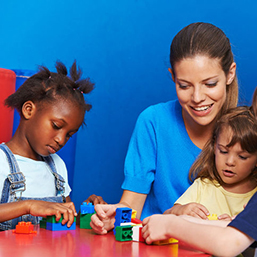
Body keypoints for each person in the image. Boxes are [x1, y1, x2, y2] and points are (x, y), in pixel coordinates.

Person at [91, 21, 238, 234]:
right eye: (184, 86)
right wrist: (112, 217)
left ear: (230, 73)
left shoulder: (246, 131)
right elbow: (131, 205)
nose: (197, 98)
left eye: (210, 84)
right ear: (173, 77)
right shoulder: (153, 122)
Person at [0, 60, 94, 230]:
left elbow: (65, 221)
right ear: (29, 110)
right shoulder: (2, 162)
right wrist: (27, 206)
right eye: (56, 126)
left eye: (69, 135)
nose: (61, 140)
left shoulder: (57, 167)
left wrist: (89, 213)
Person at [169, 106, 257, 220]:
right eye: (223, 151)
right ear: (215, 147)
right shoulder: (203, 186)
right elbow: (166, 217)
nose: (229, 162)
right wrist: (180, 210)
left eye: (242, 157)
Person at [0, 200, 76, 227]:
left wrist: (83, 215)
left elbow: (67, 219)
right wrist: (28, 205)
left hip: (53, 249)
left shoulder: (58, 167)